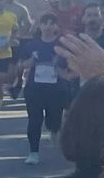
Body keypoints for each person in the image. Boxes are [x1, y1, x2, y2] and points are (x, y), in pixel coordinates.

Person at [17, 11, 72, 166]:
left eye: (51, 23)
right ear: (39, 25)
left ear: (56, 26)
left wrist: (57, 65)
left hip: (56, 89)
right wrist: (31, 61)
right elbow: (20, 64)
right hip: (34, 89)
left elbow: (70, 64)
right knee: (34, 120)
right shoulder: (32, 45)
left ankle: (54, 131)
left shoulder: (61, 45)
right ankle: (33, 152)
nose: (48, 27)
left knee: (54, 119)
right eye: (45, 23)